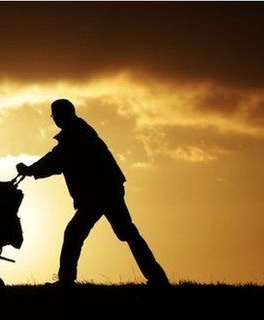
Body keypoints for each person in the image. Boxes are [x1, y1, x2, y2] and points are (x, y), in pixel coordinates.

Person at [16, 99, 169, 287]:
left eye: (55, 116)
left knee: (76, 233)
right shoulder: (80, 131)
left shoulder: (75, 135)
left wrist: (30, 170)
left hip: (98, 192)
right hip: (107, 189)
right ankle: (157, 277)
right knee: (125, 232)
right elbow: (58, 160)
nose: (55, 119)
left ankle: (66, 281)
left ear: (61, 116)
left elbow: (57, 159)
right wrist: (32, 170)